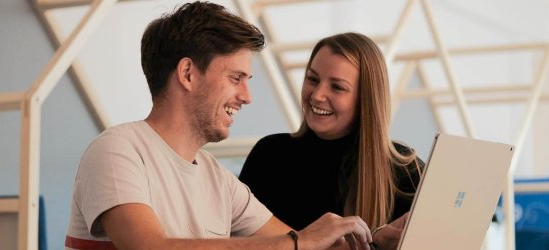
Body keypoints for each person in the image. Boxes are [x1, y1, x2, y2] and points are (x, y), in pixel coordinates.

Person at [65, 2, 374, 250]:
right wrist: (299, 242)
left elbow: (306, 245)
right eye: (235, 78)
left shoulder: (220, 182)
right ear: (187, 73)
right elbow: (149, 246)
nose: (246, 97)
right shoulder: (117, 151)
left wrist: (376, 239)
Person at [239, 32, 424, 249]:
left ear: (366, 100)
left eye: (337, 87)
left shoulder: (404, 170)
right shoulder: (270, 154)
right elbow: (238, 241)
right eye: (313, 79)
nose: (317, 95)